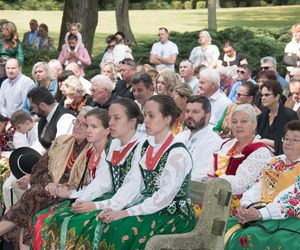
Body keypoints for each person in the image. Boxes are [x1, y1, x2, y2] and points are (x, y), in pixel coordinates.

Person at [32, 99, 144, 249]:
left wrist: (94, 204)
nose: (111, 123)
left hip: (129, 202)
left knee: (75, 224)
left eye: (116, 118)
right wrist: (76, 197)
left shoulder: (142, 146)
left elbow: (131, 189)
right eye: (110, 118)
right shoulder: (115, 145)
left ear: (132, 122)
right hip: (108, 197)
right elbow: (103, 182)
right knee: (49, 218)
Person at [88, 95, 196, 249]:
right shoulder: (147, 147)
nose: (145, 120)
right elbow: (135, 185)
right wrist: (115, 207)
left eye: (151, 115)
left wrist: (124, 213)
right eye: (145, 115)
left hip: (173, 215)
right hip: (150, 208)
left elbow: (163, 198)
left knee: (120, 230)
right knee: (105, 223)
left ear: (167, 119)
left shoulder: (178, 153)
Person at [0, 107, 92, 249]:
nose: (78, 126)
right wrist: (49, 183)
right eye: (77, 122)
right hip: (46, 189)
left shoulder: (93, 151)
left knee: (34, 195)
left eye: (84, 124)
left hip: (70, 196)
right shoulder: (61, 142)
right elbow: (39, 169)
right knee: (35, 195)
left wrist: (59, 188)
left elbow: (88, 184)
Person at [224, 120, 300, 250]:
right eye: (286, 138)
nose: (288, 143)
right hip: (262, 211)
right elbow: (257, 186)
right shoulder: (274, 161)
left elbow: (292, 200)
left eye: (295, 140)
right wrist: (245, 206)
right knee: (225, 225)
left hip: (289, 217)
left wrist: (261, 214)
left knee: (252, 235)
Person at [207, 104, 272, 216]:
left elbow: (241, 184)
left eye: (244, 121)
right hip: (213, 196)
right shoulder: (227, 144)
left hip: (238, 206)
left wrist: (213, 181)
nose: (238, 125)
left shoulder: (261, 151)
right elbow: (208, 169)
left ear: (254, 124)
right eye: (234, 121)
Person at [179, 95, 222, 182]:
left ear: (207, 116)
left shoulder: (213, 141)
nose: (190, 115)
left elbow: (200, 175)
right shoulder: (181, 136)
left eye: (195, 112)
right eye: (187, 111)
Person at [257, 80, 298, 155]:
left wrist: (265, 141)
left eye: (267, 95)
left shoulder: (290, 115)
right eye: (262, 95)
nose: (263, 98)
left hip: (283, 157)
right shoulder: (262, 115)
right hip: (261, 155)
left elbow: (293, 143)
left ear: (277, 97)